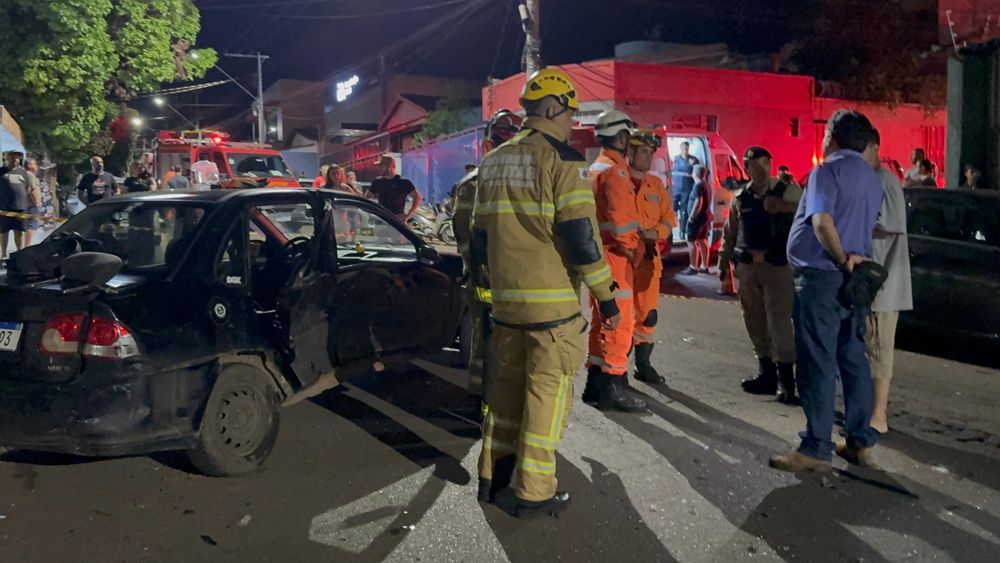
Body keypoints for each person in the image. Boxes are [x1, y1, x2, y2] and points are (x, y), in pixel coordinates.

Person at [472, 68, 620, 518]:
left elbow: (478, 239)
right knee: (545, 400)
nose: (573, 120)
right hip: (551, 314)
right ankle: (533, 493)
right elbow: (580, 239)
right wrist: (606, 296)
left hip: (506, 309)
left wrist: (487, 295)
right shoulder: (564, 160)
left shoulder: (494, 160)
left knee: (504, 397)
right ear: (553, 108)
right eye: (571, 111)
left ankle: (493, 477)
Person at [771, 110, 884, 473]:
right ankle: (858, 441)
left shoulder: (826, 171)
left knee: (817, 361)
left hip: (824, 277)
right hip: (857, 283)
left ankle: (815, 447)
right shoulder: (872, 178)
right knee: (852, 359)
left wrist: (840, 257)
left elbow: (821, 222)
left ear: (831, 136)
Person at [718, 147, 803, 404]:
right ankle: (766, 374)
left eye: (760, 164)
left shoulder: (787, 191)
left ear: (769, 164)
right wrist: (723, 261)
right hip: (748, 268)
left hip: (777, 267)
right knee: (754, 321)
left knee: (779, 325)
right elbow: (730, 232)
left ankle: (787, 382)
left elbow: (811, 213)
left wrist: (783, 206)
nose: (755, 169)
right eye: (750, 165)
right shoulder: (741, 197)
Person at [453, 109, 523, 396]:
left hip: (512, 281)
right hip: (490, 281)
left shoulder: (515, 183)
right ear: (487, 146)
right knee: (489, 345)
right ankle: (485, 406)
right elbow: (467, 241)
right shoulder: (474, 184)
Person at [583, 109, 647, 413]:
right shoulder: (617, 172)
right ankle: (613, 386)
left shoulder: (597, 166)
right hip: (617, 257)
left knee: (601, 320)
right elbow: (622, 223)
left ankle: (595, 384)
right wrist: (633, 248)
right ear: (620, 138)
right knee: (619, 322)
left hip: (599, 256)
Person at [862, 130, 912, 434]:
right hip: (872, 282)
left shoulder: (884, 181)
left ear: (874, 147)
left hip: (881, 283)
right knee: (870, 349)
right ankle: (869, 411)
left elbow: (887, 227)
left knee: (879, 350)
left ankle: (878, 416)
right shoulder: (873, 179)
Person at [627, 128, 677, 385]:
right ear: (630, 151)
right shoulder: (616, 180)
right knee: (621, 315)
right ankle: (615, 370)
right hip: (621, 260)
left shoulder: (655, 184)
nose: (648, 157)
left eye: (650, 152)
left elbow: (669, 218)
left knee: (648, 315)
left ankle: (643, 364)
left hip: (648, 260)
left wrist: (656, 232)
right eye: (644, 151)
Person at [365, 156, 423, 223]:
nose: (379, 168)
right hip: (381, 219)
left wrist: (408, 215)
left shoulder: (403, 182)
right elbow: (367, 197)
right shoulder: (377, 181)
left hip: (397, 221)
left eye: (382, 166)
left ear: (390, 166)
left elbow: (418, 197)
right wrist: (374, 212)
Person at [679, 164, 712, 275]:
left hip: (697, 218)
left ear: (696, 173)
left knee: (691, 241)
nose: (691, 173)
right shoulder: (706, 185)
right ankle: (704, 266)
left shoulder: (698, 185)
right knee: (702, 240)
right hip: (704, 217)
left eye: (693, 171)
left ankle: (693, 266)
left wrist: (692, 217)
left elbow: (698, 201)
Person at [0, 152, 31, 257]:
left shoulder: (23, 173)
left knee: (19, 231)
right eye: (12, 158)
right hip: (4, 206)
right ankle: (4, 253)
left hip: (20, 206)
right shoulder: (1, 171)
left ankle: (19, 253)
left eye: (17, 158)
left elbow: (28, 188)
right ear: (8, 158)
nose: (14, 160)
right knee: (4, 231)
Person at [671, 141, 700, 232]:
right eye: (683, 149)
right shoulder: (674, 159)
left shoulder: (694, 160)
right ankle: (669, 231)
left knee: (684, 211)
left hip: (687, 189)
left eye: (686, 149)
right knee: (672, 209)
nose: (685, 151)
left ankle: (682, 231)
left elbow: (700, 171)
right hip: (675, 189)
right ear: (680, 149)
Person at [24, 159, 50, 246]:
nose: (37, 167)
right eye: (34, 164)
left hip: (27, 204)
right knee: (31, 226)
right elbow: (32, 190)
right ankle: (28, 245)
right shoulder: (30, 175)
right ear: (29, 166)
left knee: (29, 225)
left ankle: (26, 244)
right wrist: (37, 202)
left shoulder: (26, 175)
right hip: (32, 205)